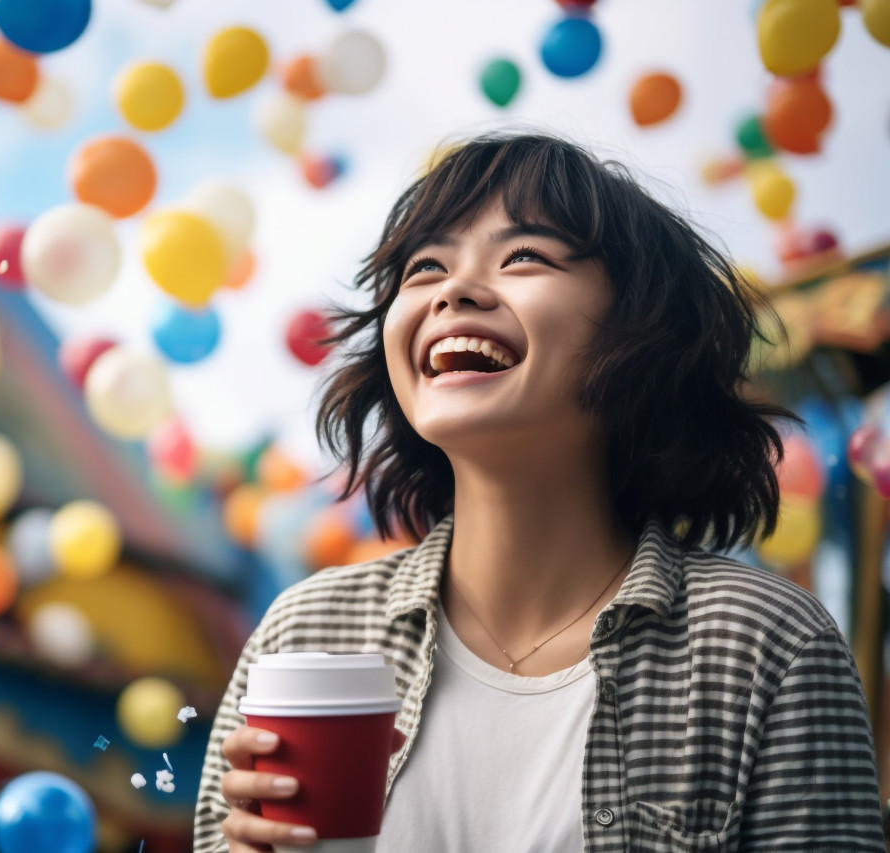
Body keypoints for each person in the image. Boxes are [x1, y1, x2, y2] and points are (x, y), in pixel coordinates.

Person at [193, 133, 885, 852]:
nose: (452, 289)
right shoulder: (305, 632)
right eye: (425, 266)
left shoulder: (767, 643)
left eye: (525, 256)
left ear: (642, 329)